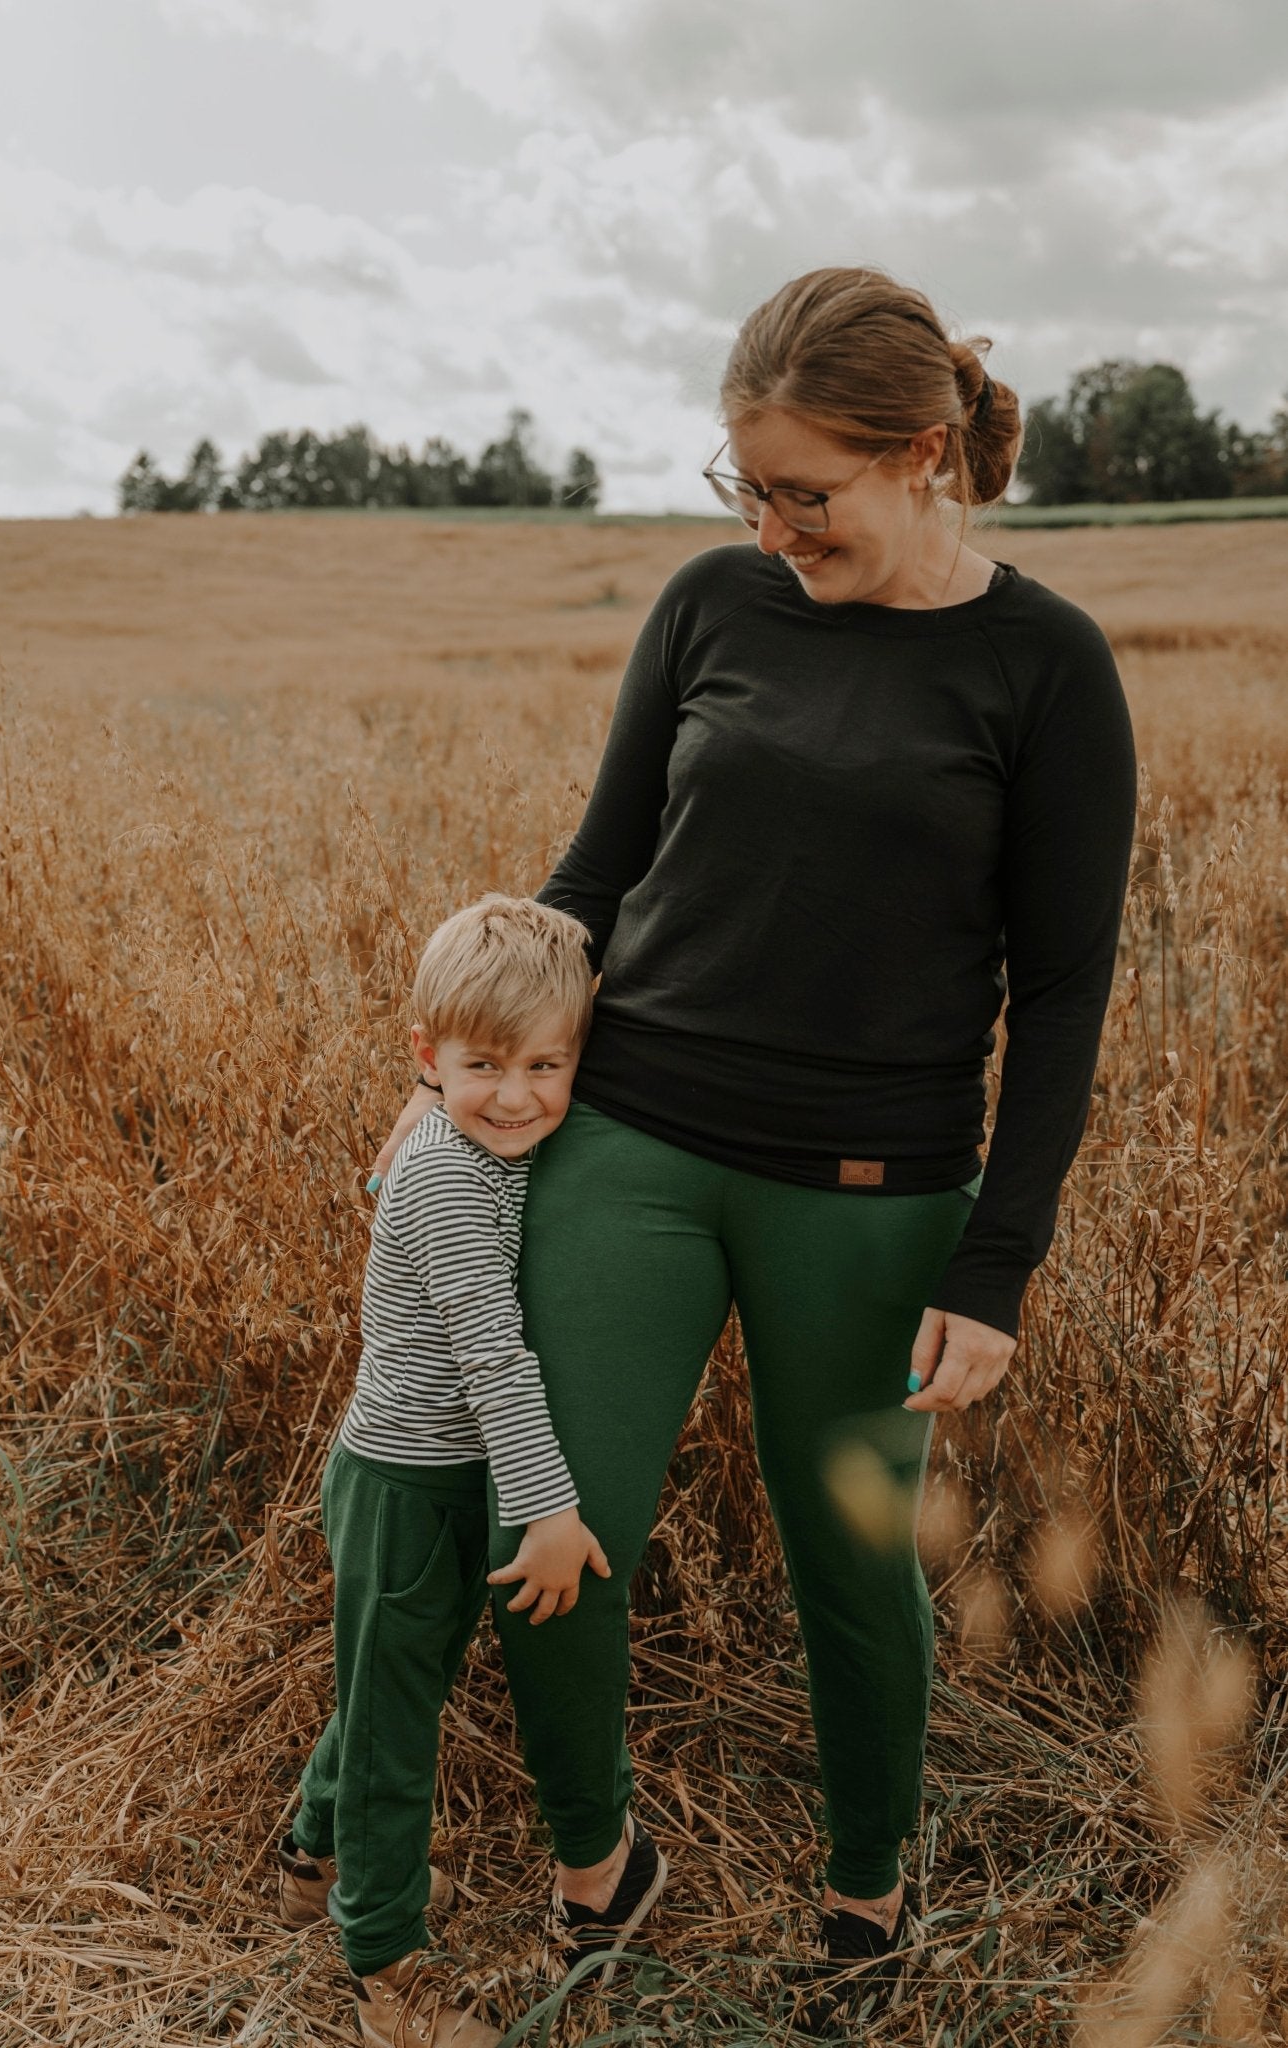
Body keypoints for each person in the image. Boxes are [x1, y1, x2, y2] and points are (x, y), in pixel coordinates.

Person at [377, 265, 1137, 2021]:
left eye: (806, 491)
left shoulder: (1042, 666)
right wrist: (451, 1098)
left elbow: (1064, 995)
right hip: (629, 1141)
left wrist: (996, 1262)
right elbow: (597, 872)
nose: (771, 528)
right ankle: (598, 1860)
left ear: (923, 453)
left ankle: (867, 1895)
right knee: (552, 1517)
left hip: (873, 1196)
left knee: (852, 1566)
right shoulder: (712, 602)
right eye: (747, 486)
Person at [279, 895, 628, 2048]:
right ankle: (386, 1966)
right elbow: (490, 1350)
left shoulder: (493, 1144)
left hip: (438, 1476)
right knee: (394, 1729)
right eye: (484, 1064)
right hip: (403, 1484)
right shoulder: (441, 1171)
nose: (516, 1094)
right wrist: (548, 1507)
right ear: (427, 1056)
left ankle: (311, 1858)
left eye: (545, 1064)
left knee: (389, 1684)